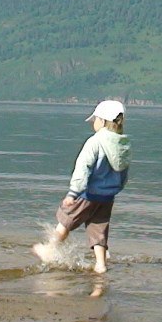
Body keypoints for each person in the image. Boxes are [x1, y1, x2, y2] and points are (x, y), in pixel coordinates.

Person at [33, 99, 131, 274]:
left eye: (95, 119)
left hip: (87, 194)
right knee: (98, 229)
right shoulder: (122, 144)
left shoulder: (95, 142)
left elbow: (82, 167)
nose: (93, 122)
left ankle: (50, 249)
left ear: (101, 121)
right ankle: (100, 265)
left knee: (65, 220)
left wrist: (73, 193)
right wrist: (115, 189)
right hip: (107, 197)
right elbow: (123, 172)